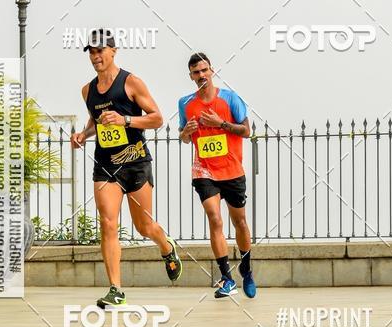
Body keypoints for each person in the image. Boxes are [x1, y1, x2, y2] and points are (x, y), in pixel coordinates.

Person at [70, 29, 182, 307]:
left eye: (100, 51)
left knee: (144, 225)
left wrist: (126, 120)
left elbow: (157, 119)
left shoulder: (131, 82)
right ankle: (115, 289)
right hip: (106, 166)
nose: (95, 56)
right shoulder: (88, 90)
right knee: (108, 224)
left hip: (136, 162)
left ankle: (166, 247)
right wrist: (84, 135)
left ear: (113, 51)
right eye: (91, 52)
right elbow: (97, 121)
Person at [178, 52, 256, 298]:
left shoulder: (231, 98)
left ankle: (247, 269)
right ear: (190, 76)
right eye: (196, 72)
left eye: (204, 70)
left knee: (239, 222)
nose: (201, 75)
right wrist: (186, 132)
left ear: (211, 71)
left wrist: (220, 123)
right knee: (215, 218)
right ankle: (226, 277)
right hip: (204, 170)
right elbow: (184, 136)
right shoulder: (185, 103)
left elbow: (246, 131)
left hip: (232, 169)